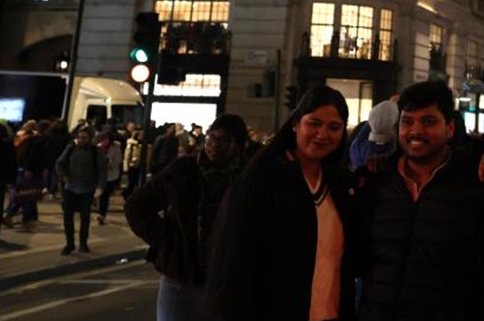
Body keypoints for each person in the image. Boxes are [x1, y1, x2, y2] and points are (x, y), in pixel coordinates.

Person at [355, 81, 484, 321]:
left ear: (450, 128)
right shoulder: (376, 181)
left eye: (429, 121)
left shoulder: (476, 186)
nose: (416, 130)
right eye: (408, 121)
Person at [207, 86, 356, 321]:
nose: (323, 134)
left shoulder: (339, 187)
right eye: (314, 123)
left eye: (334, 127)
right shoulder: (260, 181)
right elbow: (232, 266)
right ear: (296, 123)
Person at [126, 114, 250, 321]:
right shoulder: (185, 170)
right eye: (211, 137)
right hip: (183, 279)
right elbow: (136, 206)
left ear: (237, 145)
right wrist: (169, 239)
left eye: (223, 139)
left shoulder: (247, 178)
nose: (213, 145)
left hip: (227, 282)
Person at [55, 126, 107, 254]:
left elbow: (102, 171)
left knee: (85, 218)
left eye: (84, 138)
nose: (81, 140)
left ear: (90, 138)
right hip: (70, 188)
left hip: (87, 189)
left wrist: (100, 188)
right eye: (79, 137)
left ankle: (83, 243)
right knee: (68, 217)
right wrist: (63, 175)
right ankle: (70, 243)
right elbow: (59, 163)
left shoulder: (96, 152)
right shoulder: (71, 148)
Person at [96, 131, 123, 224]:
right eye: (103, 139)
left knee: (104, 196)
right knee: (98, 194)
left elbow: (117, 161)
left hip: (110, 175)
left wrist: (108, 163)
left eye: (106, 139)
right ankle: (99, 210)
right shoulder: (98, 147)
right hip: (99, 175)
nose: (104, 141)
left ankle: (101, 214)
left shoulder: (116, 147)